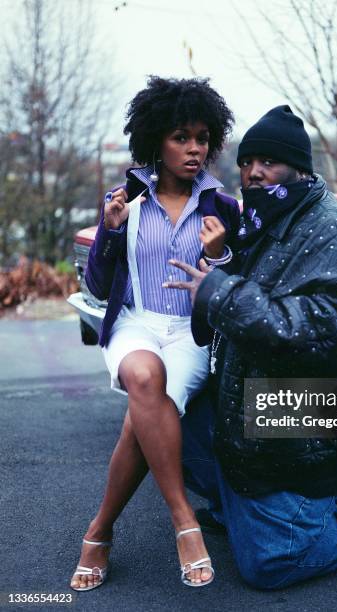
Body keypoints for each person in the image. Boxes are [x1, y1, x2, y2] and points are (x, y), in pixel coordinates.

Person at [167, 105, 337, 589]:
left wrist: (221, 293)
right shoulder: (270, 217)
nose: (254, 172)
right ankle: (245, 508)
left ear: (300, 169)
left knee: (270, 563)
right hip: (266, 408)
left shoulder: (335, 232)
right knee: (163, 417)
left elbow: (323, 329)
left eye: (268, 161)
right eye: (247, 162)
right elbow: (246, 304)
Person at [69, 77, 238, 590]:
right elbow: (97, 285)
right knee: (145, 379)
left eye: (202, 138)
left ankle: (99, 531)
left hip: (190, 334)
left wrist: (217, 256)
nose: (194, 149)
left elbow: (233, 288)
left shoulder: (222, 207)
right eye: (181, 137)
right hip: (135, 324)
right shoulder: (127, 202)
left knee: (142, 419)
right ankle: (185, 522)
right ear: (155, 141)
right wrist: (112, 230)